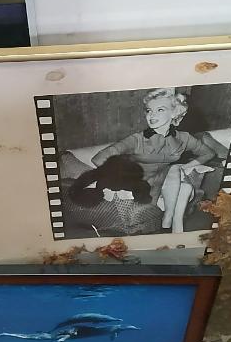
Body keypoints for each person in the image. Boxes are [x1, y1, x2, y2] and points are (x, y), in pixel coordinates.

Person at [91, 88, 216, 233]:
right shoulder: (136, 139)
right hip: (140, 189)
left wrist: (185, 167)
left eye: (160, 110)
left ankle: (172, 221)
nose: (151, 115)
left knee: (181, 179)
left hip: (163, 185)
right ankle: (170, 222)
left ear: (174, 113)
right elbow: (98, 159)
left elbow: (208, 154)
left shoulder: (183, 137)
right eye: (149, 110)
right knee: (179, 179)